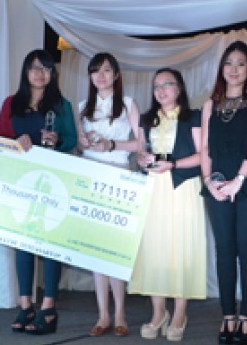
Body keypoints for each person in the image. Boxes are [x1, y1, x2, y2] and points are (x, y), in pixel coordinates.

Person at [0, 49, 76, 335]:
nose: (40, 73)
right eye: (34, 68)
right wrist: (16, 141)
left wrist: (58, 138)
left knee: (50, 243)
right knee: (23, 242)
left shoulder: (61, 104)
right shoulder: (10, 103)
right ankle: (25, 304)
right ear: (25, 72)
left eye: (46, 68)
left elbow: (73, 141)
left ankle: (48, 307)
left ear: (53, 73)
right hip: (21, 180)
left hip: (53, 180)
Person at [128, 68, 207, 342]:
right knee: (155, 250)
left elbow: (202, 155)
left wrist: (172, 164)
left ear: (179, 88)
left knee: (181, 249)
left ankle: (179, 313)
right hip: (153, 188)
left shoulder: (193, 117)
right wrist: (141, 159)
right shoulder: (147, 119)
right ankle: (158, 311)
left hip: (182, 186)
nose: (160, 90)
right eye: (156, 86)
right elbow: (140, 150)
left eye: (167, 84)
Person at [201, 40, 247, 345]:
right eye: (229, 63)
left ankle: (246, 313)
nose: (234, 69)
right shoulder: (209, 104)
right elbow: (204, 148)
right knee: (224, 249)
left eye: (241, 63)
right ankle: (227, 314)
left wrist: (239, 180)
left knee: (246, 247)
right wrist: (209, 181)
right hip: (216, 185)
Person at [75, 53, 140, 337]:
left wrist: (112, 144)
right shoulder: (81, 107)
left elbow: (140, 143)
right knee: (95, 252)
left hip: (118, 177)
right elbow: (78, 144)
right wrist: (85, 142)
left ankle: (121, 314)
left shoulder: (127, 104)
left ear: (115, 74)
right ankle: (102, 315)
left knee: (115, 250)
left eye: (106, 70)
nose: (100, 76)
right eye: (95, 71)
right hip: (91, 177)